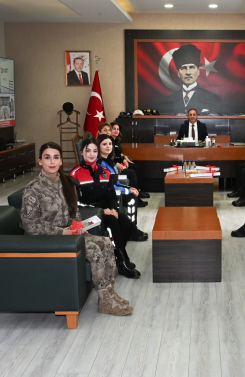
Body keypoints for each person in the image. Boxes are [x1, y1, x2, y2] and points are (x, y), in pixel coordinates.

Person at [21, 142, 132, 315]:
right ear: (40, 161)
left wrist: (77, 224)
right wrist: (64, 232)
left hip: (70, 233)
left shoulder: (66, 182)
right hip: (50, 238)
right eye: (47, 157)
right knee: (93, 250)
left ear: (61, 161)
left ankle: (108, 294)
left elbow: (75, 210)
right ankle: (105, 301)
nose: (52, 161)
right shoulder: (33, 189)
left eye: (56, 157)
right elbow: (30, 225)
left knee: (106, 243)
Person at [70, 139, 144, 279]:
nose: (91, 154)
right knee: (112, 223)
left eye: (94, 151)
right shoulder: (75, 174)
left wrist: (113, 208)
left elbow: (111, 194)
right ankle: (123, 262)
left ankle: (117, 257)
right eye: (88, 151)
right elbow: (75, 202)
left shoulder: (104, 171)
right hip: (87, 214)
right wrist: (102, 211)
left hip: (106, 209)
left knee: (126, 224)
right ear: (82, 153)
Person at [97, 133, 149, 243]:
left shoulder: (110, 161)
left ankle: (132, 227)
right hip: (109, 194)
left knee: (132, 193)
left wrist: (129, 187)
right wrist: (127, 190)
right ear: (98, 146)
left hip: (114, 189)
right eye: (104, 144)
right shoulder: (100, 164)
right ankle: (131, 230)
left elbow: (115, 181)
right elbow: (109, 185)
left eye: (110, 144)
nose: (108, 146)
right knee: (131, 198)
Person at [98, 122, 149, 205]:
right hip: (107, 192)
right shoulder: (99, 160)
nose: (108, 146)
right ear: (99, 132)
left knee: (135, 167)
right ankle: (136, 197)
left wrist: (123, 158)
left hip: (114, 177)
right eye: (105, 130)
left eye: (109, 130)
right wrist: (116, 165)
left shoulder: (113, 143)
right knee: (132, 172)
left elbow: (115, 156)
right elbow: (108, 184)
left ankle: (138, 192)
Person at [162, 44, 221, 114]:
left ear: (198, 71)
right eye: (184, 68)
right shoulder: (168, 101)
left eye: (192, 67)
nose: (188, 72)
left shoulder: (213, 98)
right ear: (178, 73)